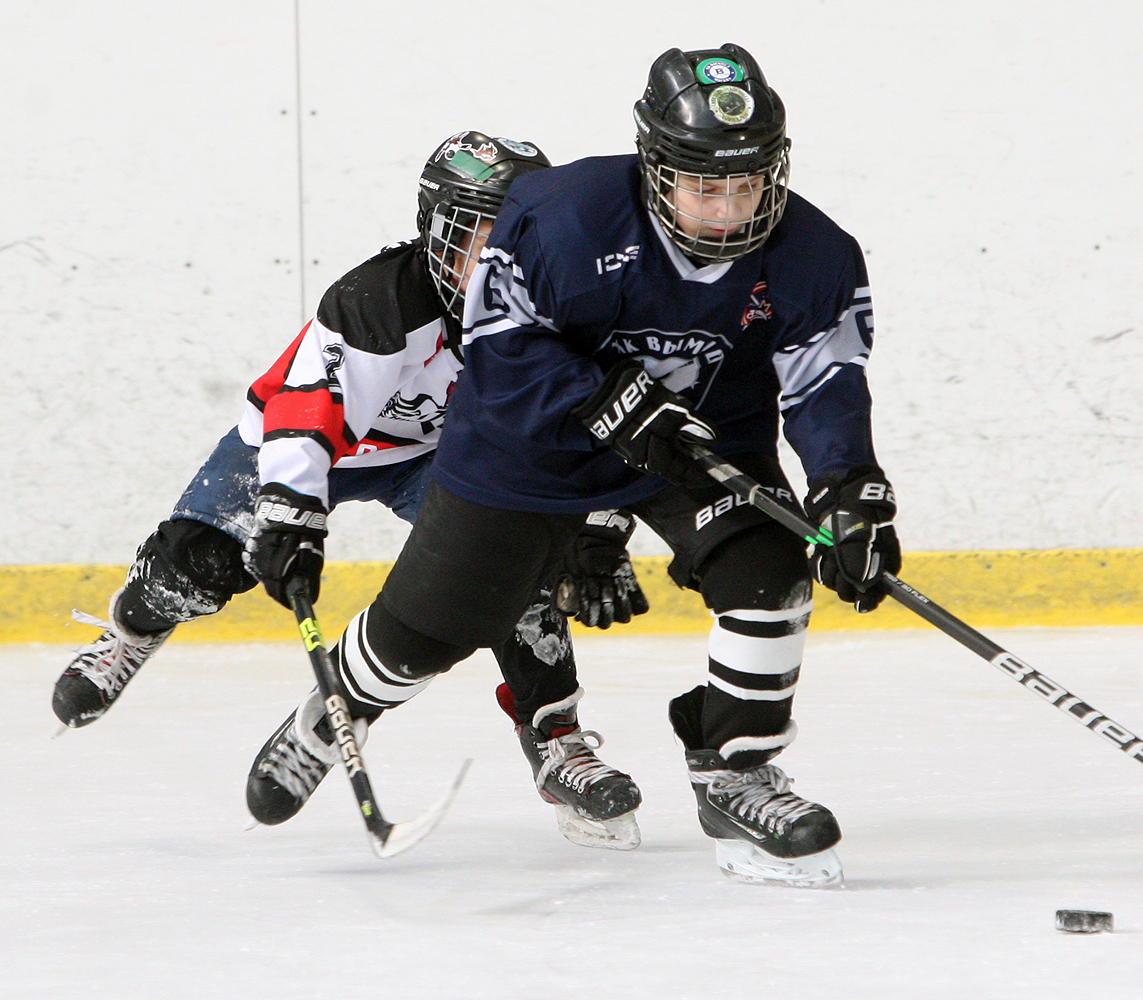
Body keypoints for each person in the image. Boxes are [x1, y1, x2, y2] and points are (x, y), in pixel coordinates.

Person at [246, 43, 901, 887]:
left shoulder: (815, 251)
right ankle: (339, 704)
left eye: (747, 180)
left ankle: (736, 771)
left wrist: (848, 487)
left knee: (769, 574)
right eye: (705, 183)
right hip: (530, 450)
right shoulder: (563, 215)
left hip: (700, 447)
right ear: (655, 167)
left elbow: (825, 379)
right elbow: (500, 346)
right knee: (426, 636)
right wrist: (604, 400)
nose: (730, 205)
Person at [53, 131, 649, 851]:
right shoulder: (380, 301)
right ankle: (131, 630)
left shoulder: (558, 313)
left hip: (437, 457)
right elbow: (309, 414)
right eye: (481, 237)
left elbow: (603, 427)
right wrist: (291, 519)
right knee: (201, 567)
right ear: (437, 232)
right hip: (311, 443)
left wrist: (600, 528)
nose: (501, 261)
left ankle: (552, 738)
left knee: (520, 574)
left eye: (520, 238)